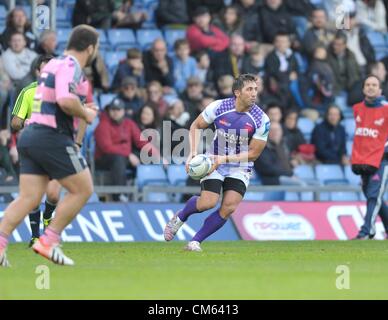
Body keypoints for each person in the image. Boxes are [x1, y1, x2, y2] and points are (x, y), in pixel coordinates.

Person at [0, 24, 100, 267]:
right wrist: (85, 112)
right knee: (84, 189)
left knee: (28, 197)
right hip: (51, 136)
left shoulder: (53, 64)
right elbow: (65, 101)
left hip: (30, 135)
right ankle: (49, 240)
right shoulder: (70, 66)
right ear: (90, 48)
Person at [163, 74, 270, 252]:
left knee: (229, 207)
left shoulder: (261, 119)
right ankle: (180, 217)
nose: (253, 93)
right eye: (249, 89)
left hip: (240, 165)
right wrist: (193, 154)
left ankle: (195, 242)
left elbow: (253, 153)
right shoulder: (219, 107)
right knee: (208, 202)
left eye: (255, 89)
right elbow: (196, 126)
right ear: (237, 92)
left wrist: (225, 159)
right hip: (213, 158)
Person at [10, 54, 59, 247]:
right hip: (32, 148)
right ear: (37, 72)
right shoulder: (28, 92)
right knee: (33, 194)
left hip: (56, 148)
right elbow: (14, 122)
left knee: (53, 195)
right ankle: (35, 236)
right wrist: (25, 122)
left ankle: (48, 216)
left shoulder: (62, 94)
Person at [352, 75, 388, 239]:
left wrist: (382, 150)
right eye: (368, 84)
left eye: (374, 84)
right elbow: (361, 137)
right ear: (363, 88)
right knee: (372, 196)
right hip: (363, 161)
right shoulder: (357, 109)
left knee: (374, 195)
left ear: (380, 89)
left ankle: (367, 231)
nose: (371, 87)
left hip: (382, 160)